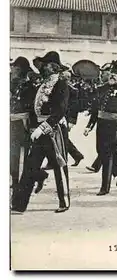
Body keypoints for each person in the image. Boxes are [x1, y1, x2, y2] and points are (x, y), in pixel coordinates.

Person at [11, 51, 70, 214]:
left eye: (47, 65)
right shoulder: (42, 84)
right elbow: (34, 107)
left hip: (53, 130)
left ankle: (64, 201)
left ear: (54, 67)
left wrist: (43, 127)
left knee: (59, 166)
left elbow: (60, 111)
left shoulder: (61, 85)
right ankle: (18, 204)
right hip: (38, 130)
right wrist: (32, 126)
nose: (44, 67)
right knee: (30, 166)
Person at [84, 59, 117, 196]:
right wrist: (89, 126)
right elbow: (96, 109)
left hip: (115, 126)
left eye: (116, 75)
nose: (113, 77)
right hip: (101, 124)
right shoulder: (101, 89)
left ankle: (104, 187)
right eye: (111, 74)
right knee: (101, 151)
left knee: (107, 154)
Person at [10, 57, 36, 189]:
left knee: (23, 155)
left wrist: (32, 126)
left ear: (19, 69)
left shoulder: (28, 86)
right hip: (11, 122)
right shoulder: (11, 83)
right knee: (12, 154)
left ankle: (22, 181)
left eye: (14, 67)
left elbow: (32, 108)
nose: (11, 69)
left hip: (22, 123)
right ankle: (15, 180)